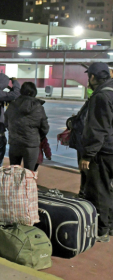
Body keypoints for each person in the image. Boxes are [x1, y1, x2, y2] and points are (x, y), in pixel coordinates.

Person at [79, 62, 113, 242]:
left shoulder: (101, 96)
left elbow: (97, 128)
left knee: (99, 190)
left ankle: (102, 230)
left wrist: (88, 155)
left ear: (92, 77)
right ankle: (110, 225)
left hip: (104, 151)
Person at [4, 82, 49, 171]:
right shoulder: (38, 107)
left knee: (13, 173)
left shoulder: (12, 105)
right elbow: (45, 128)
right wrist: (37, 137)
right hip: (31, 145)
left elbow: (6, 123)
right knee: (29, 174)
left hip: (14, 143)